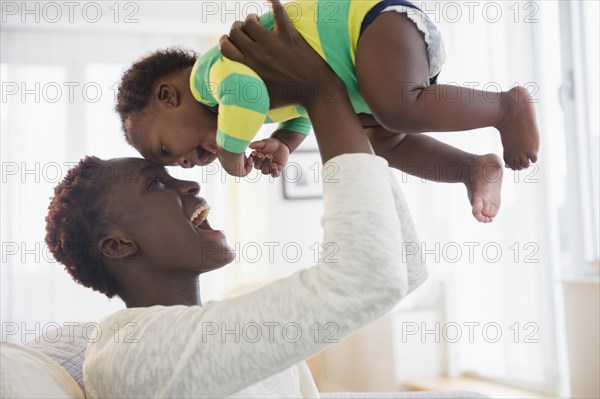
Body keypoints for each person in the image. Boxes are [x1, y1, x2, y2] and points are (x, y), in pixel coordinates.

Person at [44, 3, 427, 397]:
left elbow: (403, 269)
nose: (191, 185)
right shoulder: (131, 350)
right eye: (156, 185)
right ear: (117, 244)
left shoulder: (217, 326)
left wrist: (357, 121)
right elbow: (367, 280)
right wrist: (322, 90)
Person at [115, 0, 540, 224]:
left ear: (169, 96)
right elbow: (301, 106)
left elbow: (246, 95)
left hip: (368, 27)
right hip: (367, 76)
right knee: (383, 141)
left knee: (397, 111)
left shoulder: (211, 74)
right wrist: (284, 140)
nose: (185, 163)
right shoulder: (236, 103)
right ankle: (470, 168)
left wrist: (230, 153)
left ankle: (506, 108)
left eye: (166, 149)